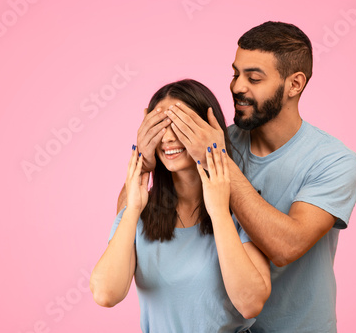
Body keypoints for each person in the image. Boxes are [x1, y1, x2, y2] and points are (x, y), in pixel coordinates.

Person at [126, 22, 356, 332]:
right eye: (235, 74)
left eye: (254, 78)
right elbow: (129, 217)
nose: (237, 87)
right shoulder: (215, 143)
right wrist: (143, 163)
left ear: (295, 84)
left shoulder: (334, 162)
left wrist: (215, 157)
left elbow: (286, 247)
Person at [90, 79, 271, 333]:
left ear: (208, 129)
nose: (167, 137)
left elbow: (250, 303)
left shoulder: (241, 209)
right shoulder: (138, 210)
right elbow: (105, 294)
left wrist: (219, 211)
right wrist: (132, 210)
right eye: (159, 126)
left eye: (180, 125)